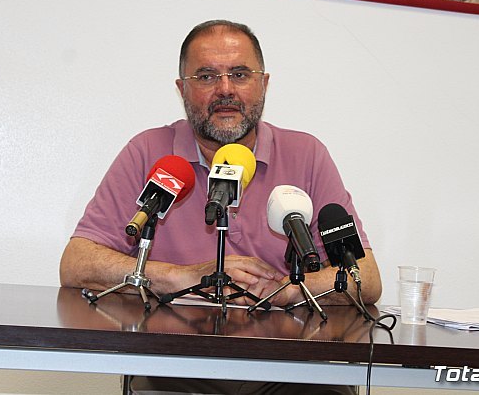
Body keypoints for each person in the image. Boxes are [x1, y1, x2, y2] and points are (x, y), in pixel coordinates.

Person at [60, 20, 382, 394]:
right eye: (206, 76)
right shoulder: (149, 152)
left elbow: (366, 277)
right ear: (182, 88)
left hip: (290, 365)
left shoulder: (306, 154)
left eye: (240, 74)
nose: (225, 89)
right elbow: (76, 263)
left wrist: (288, 290)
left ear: (264, 84)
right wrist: (181, 277)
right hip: (176, 362)